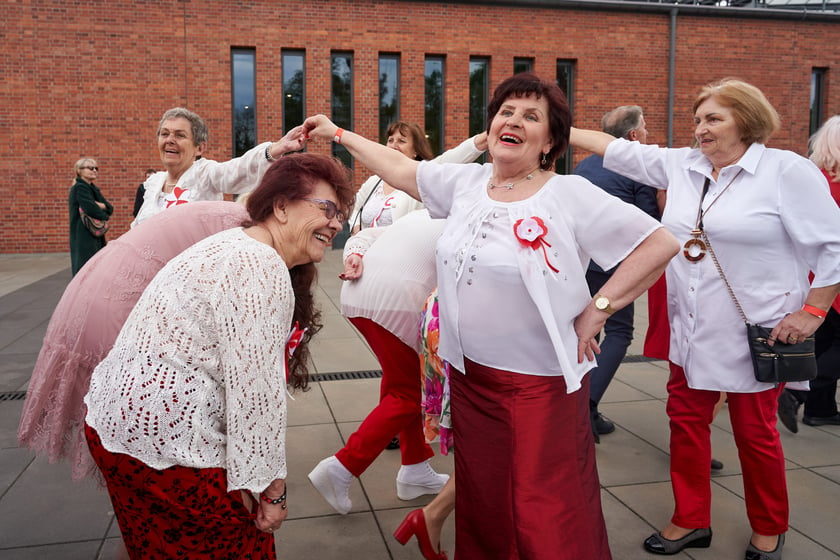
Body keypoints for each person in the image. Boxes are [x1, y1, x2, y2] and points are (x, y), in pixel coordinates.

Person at [304, 72, 679, 560]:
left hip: (538, 386)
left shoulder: (567, 194)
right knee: (484, 498)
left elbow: (659, 244)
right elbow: (398, 168)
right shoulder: (467, 183)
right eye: (507, 111)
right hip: (471, 379)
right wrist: (337, 132)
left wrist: (598, 309)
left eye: (531, 116)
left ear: (550, 140)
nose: (515, 121)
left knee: (539, 507)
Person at [571, 78, 840, 560]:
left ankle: (769, 525)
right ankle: (690, 519)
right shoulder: (683, 165)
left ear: (748, 121)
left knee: (755, 434)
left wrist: (814, 311)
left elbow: (833, 244)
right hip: (690, 325)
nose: (700, 129)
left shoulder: (786, 171)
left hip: (759, 329)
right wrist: (554, 127)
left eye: (713, 119)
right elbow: (617, 150)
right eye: (697, 120)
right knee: (684, 422)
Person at [83, 153, 354, 558]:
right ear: (280, 207)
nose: (336, 223)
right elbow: (255, 398)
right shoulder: (259, 263)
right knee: (240, 547)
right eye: (327, 208)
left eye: (341, 214)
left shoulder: (235, 245)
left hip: (113, 430)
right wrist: (271, 492)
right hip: (168, 449)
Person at [309, 135, 487, 519]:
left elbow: (371, 235)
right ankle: (341, 467)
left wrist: (355, 255)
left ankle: (414, 470)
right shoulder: (473, 215)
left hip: (363, 293)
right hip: (395, 299)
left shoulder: (433, 210)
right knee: (409, 393)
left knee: (400, 383)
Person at [19, 201, 249, 481]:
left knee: (113, 404)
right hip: (120, 300)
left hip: (96, 281)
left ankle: (134, 472)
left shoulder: (221, 213)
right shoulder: (248, 232)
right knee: (147, 411)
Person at [573, 105, 660, 442]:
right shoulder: (638, 170)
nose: (649, 135)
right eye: (646, 128)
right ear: (633, 136)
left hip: (581, 260)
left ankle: (574, 400)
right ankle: (587, 406)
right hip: (614, 265)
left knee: (581, 330)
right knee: (620, 333)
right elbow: (651, 223)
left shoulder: (585, 165)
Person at [132, 107, 307, 227]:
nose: (170, 139)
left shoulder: (205, 174)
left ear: (200, 148)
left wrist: (276, 148)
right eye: (165, 134)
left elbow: (239, 169)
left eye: (180, 135)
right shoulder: (152, 184)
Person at [777, 114, 840, 433]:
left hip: (814, 275)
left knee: (822, 342)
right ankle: (797, 392)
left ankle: (820, 407)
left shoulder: (813, 177)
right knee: (832, 347)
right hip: (833, 277)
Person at [348, 121, 431, 233]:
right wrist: (355, 228)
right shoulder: (375, 181)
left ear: (416, 150)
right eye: (390, 140)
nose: (393, 146)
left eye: (401, 141)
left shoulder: (422, 184)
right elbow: (354, 207)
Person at [69, 157, 113, 275]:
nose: (94, 170)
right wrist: (102, 210)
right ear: (79, 170)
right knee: (86, 268)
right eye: (90, 168)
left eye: (96, 168)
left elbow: (110, 208)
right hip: (83, 234)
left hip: (93, 232)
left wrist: (102, 206)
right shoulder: (80, 187)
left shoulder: (92, 188)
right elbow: (91, 209)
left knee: (94, 266)